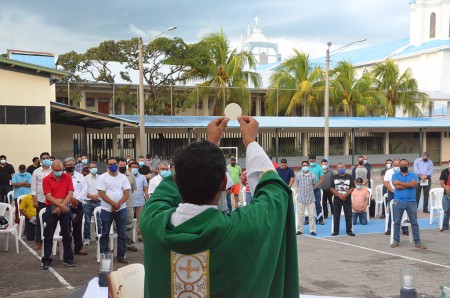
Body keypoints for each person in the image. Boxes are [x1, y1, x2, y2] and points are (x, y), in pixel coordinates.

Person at [140, 116, 298, 297]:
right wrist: (250, 141)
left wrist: (210, 144)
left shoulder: (151, 221)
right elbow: (275, 192)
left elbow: (164, 191)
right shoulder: (244, 228)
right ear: (224, 183)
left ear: (176, 180)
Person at [41, 159, 75, 269]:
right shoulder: (46, 179)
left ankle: (68, 258)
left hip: (64, 207)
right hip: (52, 207)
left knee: (67, 234)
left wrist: (62, 206)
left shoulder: (67, 177)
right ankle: (46, 260)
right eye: (56, 170)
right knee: (48, 235)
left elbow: (70, 193)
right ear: (52, 169)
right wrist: (61, 206)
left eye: (61, 170)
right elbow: (48, 196)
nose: (59, 172)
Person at [97, 157, 131, 264]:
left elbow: (126, 193)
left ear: (118, 164)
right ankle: (104, 255)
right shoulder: (103, 177)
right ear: (107, 166)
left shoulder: (123, 177)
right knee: (105, 233)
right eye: (110, 164)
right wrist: (113, 204)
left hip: (121, 209)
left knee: (121, 233)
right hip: (106, 209)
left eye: (115, 163)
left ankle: (121, 256)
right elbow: (102, 194)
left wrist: (118, 204)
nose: (113, 166)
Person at [390, 159, 427, 249]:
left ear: (408, 165)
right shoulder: (395, 175)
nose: (403, 166)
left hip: (411, 202)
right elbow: (397, 186)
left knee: (414, 222)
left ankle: (417, 242)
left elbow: (413, 185)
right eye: (402, 164)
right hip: (399, 201)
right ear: (399, 165)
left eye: (405, 164)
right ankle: (396, 241)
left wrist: (401, 183)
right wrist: (408, 184)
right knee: (397, 222)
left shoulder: (413, 175)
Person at [64, 157, 88, 256]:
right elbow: (61, 190)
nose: (70, 166)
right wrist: (71, 200)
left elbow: (84, 189)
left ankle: (78, 248)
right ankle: (67, 249)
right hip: (65, 205)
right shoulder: (62, 176)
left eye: (72, 164)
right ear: (65, 166)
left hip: (78, 204)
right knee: (66, 227)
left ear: (75, 165)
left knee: (77, 227)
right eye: (68, 165)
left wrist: (77, 201)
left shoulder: (80, 176)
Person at [31, 152, 53, 251]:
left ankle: (53, 240)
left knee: (53, 222)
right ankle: (39, 241)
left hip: (53, 201)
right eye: (44, 158)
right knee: (40, 222)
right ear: (40, 160)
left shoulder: (54, 170)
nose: (46, 159)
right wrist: (34, 201)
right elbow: (33, 188)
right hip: (40, 200)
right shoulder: (36, 172)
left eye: (47, 158)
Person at [331, 163, 355, 236]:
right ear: (336, 169)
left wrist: (345, 195)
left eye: (342, 167)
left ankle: (349, 230)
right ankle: (336, 231)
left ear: (345, 168)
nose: (340, 169)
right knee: (336, 216)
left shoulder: (350, 177)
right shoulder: (334, 177)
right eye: (338, 167)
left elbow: (352, 187)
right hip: (337, 199)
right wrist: (339, 195)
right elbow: (331, 188)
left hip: (347, 199)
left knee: (348, 216)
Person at [118, 158, 137, 252]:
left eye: (123, 165)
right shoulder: (114, 176)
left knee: (129, 223)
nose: (121, 167)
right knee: (116, 224)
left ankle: (130, 244)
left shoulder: (131, 176)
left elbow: (132, 189)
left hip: (128, 203)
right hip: (116, 203)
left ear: (126, 165)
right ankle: (119, 244)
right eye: (120, 165)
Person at [296, 161, 317, 236]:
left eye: (306, 165)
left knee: (311, 215)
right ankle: (299, 229)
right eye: (304, 165)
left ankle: (312, 230)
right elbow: (297, 185)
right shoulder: (298, 175)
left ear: (309, 166)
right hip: (301, 198)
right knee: (300, 215)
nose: (305, 167)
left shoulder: (313, 176)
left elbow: (314, 184)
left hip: (310, 198)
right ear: (301, 166)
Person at [82, 162, 101, 246]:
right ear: (89, 169)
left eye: (95, 167)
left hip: (98, 201)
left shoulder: (101, 178)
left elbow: (103, 189)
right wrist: (92, 197)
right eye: (92, 167)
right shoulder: (85, 178)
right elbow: (84, 190)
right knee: (87, 220)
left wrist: (97, 196)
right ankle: (87, 238)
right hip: (88, 201)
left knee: (99, 220)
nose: (94, 169)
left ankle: (99, 237)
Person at [130, 161, 148, 242]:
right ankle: (129, 237)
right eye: (133, 167)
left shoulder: (142, 177)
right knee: (129, 220)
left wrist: (147, 199)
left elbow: (145, 189)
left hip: (140, 201)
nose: (134, 169)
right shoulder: (127, 177)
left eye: (136, 167)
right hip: (129, 201)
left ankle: (140, 235)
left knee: (140, 220)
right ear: (130, 168)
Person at [308, 155, 324, 225]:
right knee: (308, 204)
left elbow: (321, 179)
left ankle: (320, 219)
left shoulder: (319, 168)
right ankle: (307, 219)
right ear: (309, 160)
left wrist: (315, 187)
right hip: (308, 190)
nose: (312, 162)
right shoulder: (306, 168)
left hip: (317, 189)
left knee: (317, 203)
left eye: (313, 161)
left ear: (315, 160)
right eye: (311, 161)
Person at [439, 160, 450, 232]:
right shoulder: (444, 171)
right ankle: (445, 226)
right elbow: (442, 182)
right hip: (446, 194)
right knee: (446, 211)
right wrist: (447, 189)